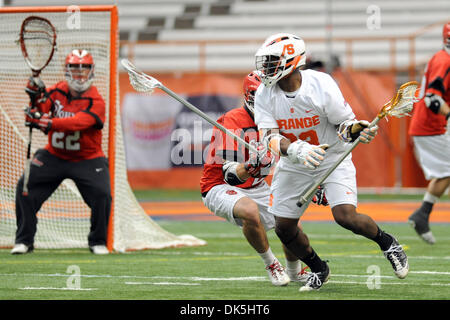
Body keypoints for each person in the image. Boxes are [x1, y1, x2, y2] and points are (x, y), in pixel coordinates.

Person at [253, 33, 409, 291]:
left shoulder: (320, 84)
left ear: (291, 61)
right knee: (283, 227)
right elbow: (268, 137)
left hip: (331, 158)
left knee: (345, 216)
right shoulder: (264, 93)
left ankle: (387, 242)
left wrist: (357, 129)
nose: (266, 68)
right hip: (295, 162)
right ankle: (318, 268)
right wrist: (294, 149)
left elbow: (344, 124)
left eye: (271, 62)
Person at [200, 71, 327, 286]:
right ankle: (271, 264)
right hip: (219, 185)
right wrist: (251, 165)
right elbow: (230, 175)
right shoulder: (232, 121)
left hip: (256, 185)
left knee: (289, 224)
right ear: (251, 97)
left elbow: (293, 158)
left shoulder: (277, 120)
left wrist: (314, 186)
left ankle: (294, 271)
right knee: (249, 210)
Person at [11, 49, 112, 255]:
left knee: (103, 195)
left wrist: (46, 122)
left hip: (88, 158)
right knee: (25, 187)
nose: (80, 73)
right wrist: (35, 99)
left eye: (84, 68)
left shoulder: (97, 101)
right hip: (54, 155)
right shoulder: (56, 91)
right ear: (67, 70)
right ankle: (24, 240)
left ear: (92, 71)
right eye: (75, 68)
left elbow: (76, 123)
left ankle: (97, 241)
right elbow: (41, 108)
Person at [408, 22, 450, 244]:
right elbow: (434, 99)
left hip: (431, 126)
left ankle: (422, 214)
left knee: (445, 173)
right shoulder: (445, 60)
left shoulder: (441, 57)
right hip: (431, 126)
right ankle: (422, 213)